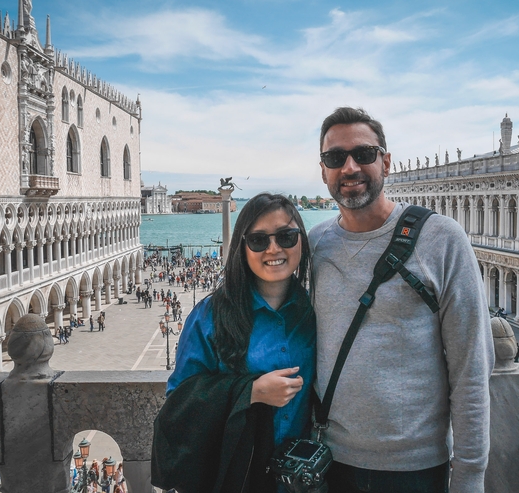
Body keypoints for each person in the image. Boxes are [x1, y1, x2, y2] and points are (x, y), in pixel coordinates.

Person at [310, 107, 494, 493]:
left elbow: (471, 369)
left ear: (386, 162)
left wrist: (470, 477)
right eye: (335, 158)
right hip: (327, 463)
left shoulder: (443, 239)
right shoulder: (313, 246)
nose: (349, 168)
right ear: (323, 170)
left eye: (363, 154)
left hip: (416, 470)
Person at [153, 193, 315, 493]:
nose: (274, 249)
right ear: (242, 247)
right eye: (258, 240)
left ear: (301, 241)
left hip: (303, 480)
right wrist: (249, 392)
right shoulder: (209, 317)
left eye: (286, 236)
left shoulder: (315, 310)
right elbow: (180, 404)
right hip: (237, 479)